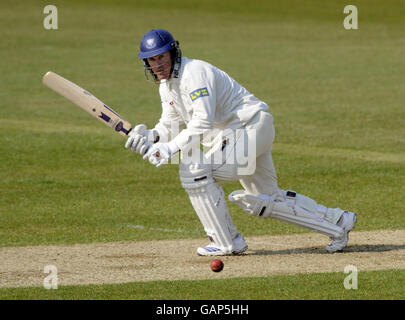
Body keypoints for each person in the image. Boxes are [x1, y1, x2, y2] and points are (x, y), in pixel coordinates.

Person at [125, 28, 357, 256]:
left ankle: (225, 241)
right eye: (152, 60)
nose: (158, 65)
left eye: (161, 57)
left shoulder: (194, 73)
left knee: (194, 170)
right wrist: (150, 136)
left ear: (173, 53)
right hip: (245, 133)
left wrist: (169, 148)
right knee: (265, 199)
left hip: (247, 129)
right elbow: (169, 124)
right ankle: (337, 221)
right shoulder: (167, 87)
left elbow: (202, 121)